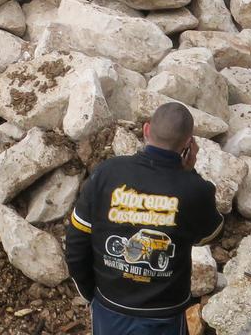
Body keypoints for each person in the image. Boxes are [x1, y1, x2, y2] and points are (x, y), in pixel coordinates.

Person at [64, 102, 223, 334]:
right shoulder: (194, 189)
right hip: (163, 314)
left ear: (146, 130)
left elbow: (76, 242)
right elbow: (211, 234)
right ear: (189, 144)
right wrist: (190, 173)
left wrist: (93, 295)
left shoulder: (107, 173)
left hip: (111, 308)